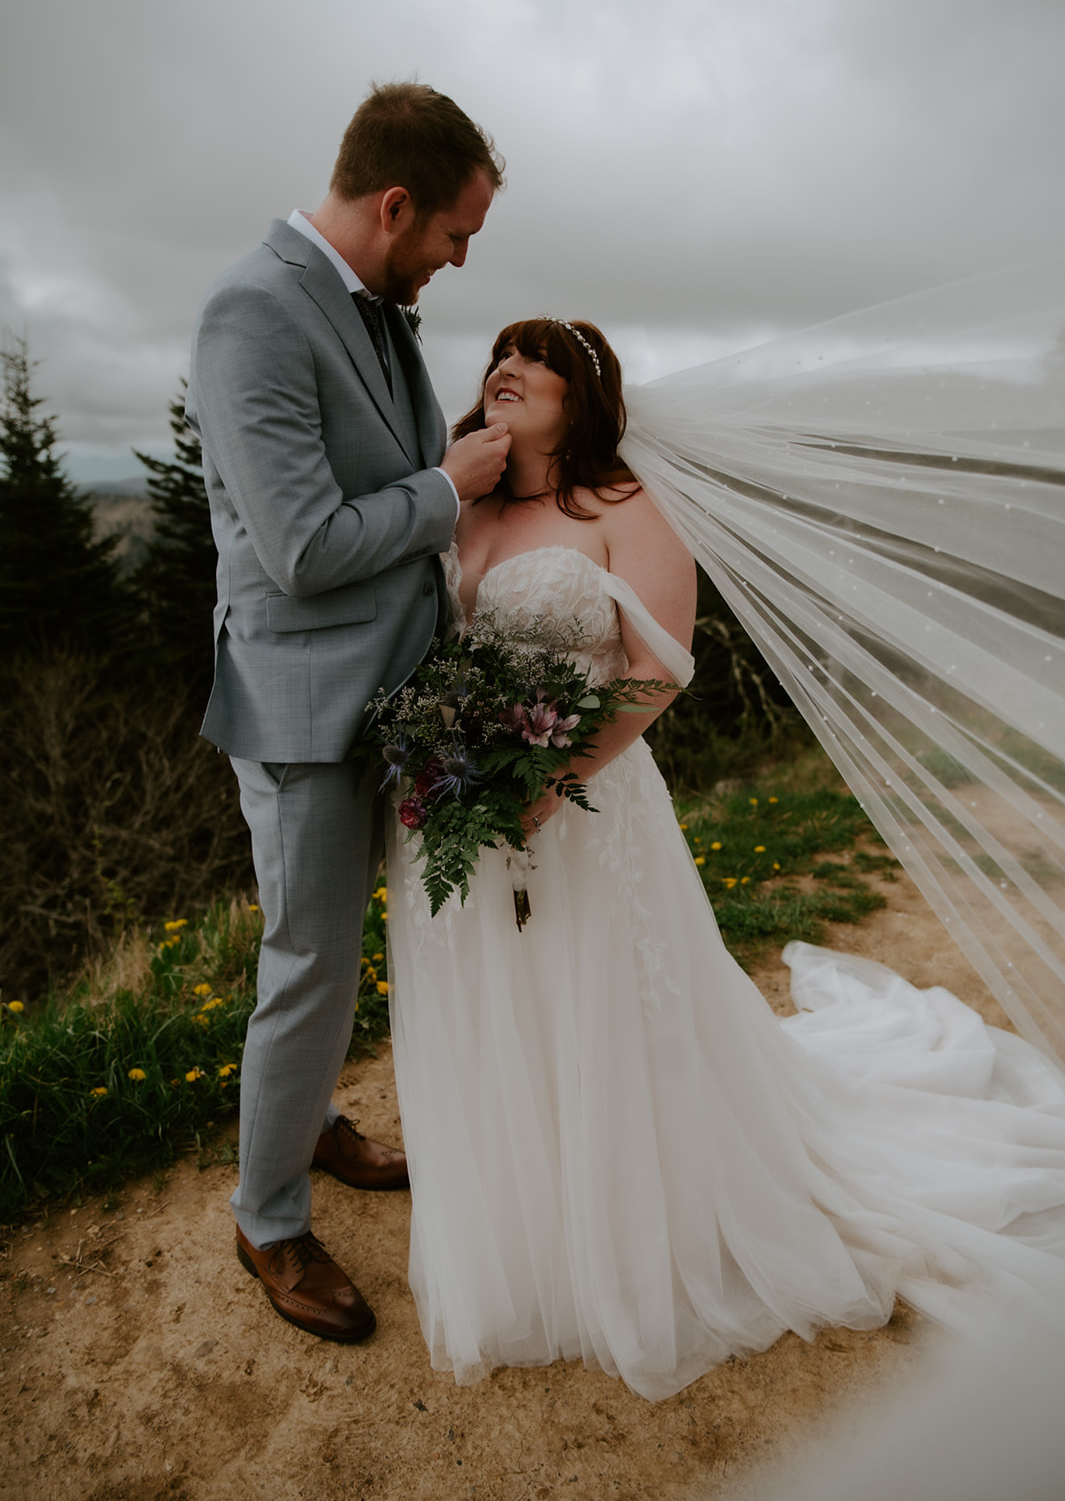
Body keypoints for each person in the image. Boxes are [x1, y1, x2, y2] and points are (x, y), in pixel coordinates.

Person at [384, 314, 1065, 1401]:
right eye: (500, 358)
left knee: (600, 1006)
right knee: (498, 1013)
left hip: (588, 815)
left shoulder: (623, 506)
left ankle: (633, 1222)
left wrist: (555, 782)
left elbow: (659, 666)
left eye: (537, 362)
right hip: (460, 815)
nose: (507, 370)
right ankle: (528, 1221)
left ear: (583, 400)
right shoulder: (459, 502)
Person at [185, 82, 512, 1342]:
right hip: (305, 702)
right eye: (453, 234)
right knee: (309, 957)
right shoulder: (250, 312)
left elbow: (394, 466)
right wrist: (446, 485)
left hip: (393, 685)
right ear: (394, 205)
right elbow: (306, 546)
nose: (458, 259)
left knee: (342, 947)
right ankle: (266, 1216)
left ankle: (312, 1122)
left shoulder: (379, 307)